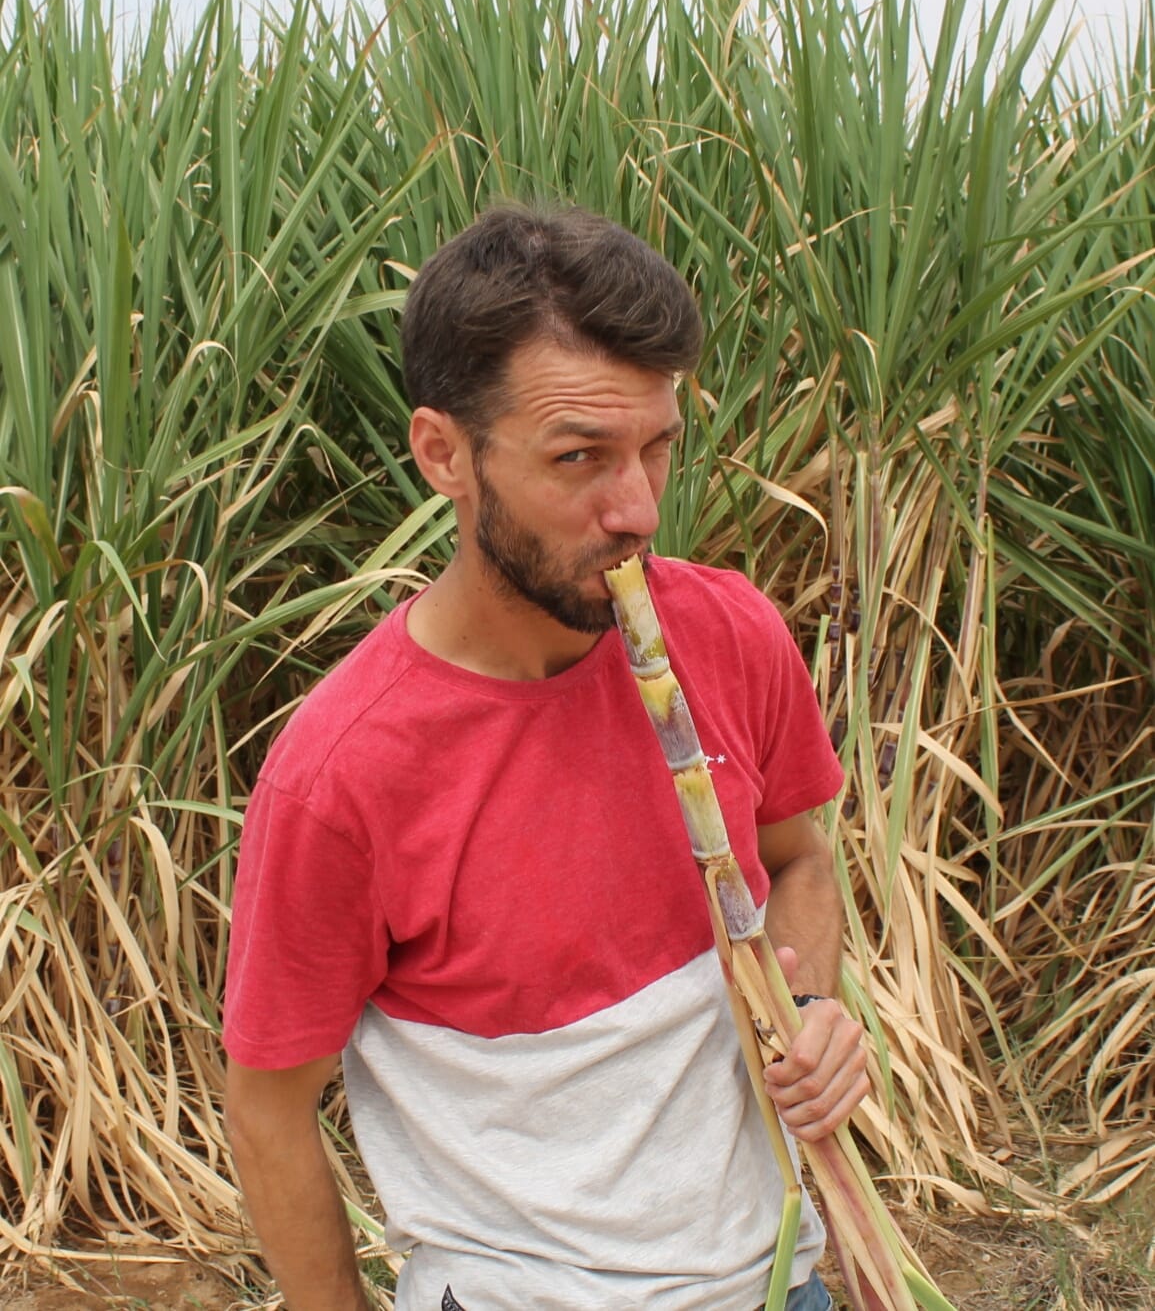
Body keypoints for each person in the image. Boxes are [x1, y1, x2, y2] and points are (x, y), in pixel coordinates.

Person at [223, 204, 869, 1311]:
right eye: (579, 458)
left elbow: (799, 860)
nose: (638, 509)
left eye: (657, 446)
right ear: (444, 453)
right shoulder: (345, 775)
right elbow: (267, 1108)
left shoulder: (731, 634)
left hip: (777, 1282)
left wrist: (802, 1003)